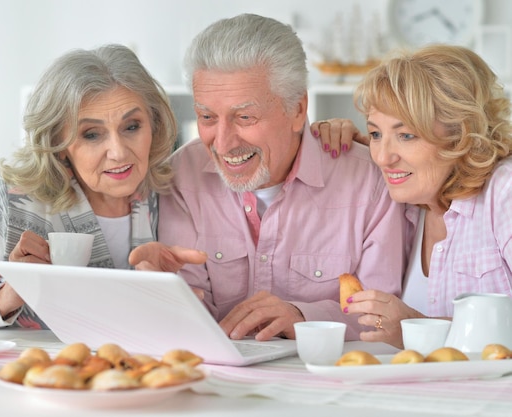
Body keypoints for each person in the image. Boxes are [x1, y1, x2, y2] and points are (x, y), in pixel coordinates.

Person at [146, 14, 407, 342]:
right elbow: (186, 312)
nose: (223, 142)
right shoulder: (182, 176)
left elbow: (382, 322)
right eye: (207, 117)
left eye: (245, 117)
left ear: (297, 110)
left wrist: (304, 318)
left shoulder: (370, 182)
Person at [0, 44, 188, 329]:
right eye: (92, 134)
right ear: (57, 144)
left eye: (132, 127)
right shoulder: (6, 206)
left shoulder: (176, 195)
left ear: (154, 125)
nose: (118, 152)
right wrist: (10, 295)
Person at [340, 44, 512, 348]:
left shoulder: (504, 193)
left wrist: (416, 330)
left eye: (406, 135)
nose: (381, 157)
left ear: (461, 134)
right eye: (376, 134)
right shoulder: (410, 205)